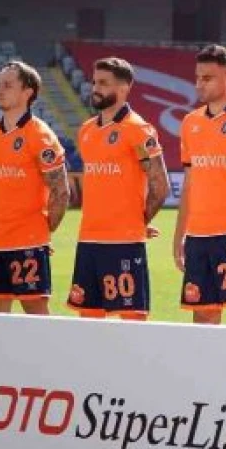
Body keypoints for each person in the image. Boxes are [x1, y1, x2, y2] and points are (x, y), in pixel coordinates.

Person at [67, 57, 168, 320]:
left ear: (124, 88)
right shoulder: (86, 130)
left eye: (103, 83)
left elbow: (160, 185)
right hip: (88, 240)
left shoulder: (138, 129)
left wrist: (138, 222)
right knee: (89, 320)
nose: (95, 88)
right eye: (94, 82)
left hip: (123, 243)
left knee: (132, 322)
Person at [0, 61, 69, 315]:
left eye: (8, 85)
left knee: (35, 314)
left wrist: (43, 233)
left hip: (28, 242)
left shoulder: (40, 135)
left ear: (27, 92)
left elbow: (61, 192)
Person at [173, 45, 226, 327]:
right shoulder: (190, 122)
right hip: (198, 237)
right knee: (203, 317)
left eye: (207, 78)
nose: (200, 84)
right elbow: (190, 184)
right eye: (198, 77)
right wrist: (180, 236)